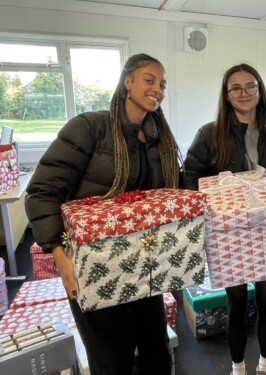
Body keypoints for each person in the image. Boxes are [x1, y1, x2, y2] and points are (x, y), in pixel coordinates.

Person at [25, 53, 181, 375]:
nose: (157, 89)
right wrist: (60, 256)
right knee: (111, 360)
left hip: (144, 264)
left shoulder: (158, 139)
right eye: (149, 80)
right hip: (92, 266)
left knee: (156, 354)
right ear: (127, 81)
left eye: (162, 84)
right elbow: (42, 190)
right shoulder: (90, 128)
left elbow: (170, 193)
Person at [183, 63, 266, 375]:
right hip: (229, 236)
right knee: (235, 304)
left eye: (251, 86)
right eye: (236, 88)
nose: (244, 92)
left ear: (260, 90)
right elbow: (190, 177)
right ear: (227, 95)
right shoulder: (209, 134)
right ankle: (237, 368)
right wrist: (213, 205)